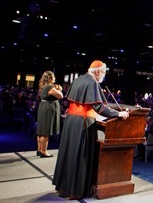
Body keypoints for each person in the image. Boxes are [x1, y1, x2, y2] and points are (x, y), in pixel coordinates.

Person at [52, 60, 130, 200]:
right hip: (82, 122)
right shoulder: (92, 83)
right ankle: (74, 190)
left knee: (69, 153)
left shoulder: (78, 80)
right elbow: (99, 107)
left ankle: (64, 187)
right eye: (104, 72)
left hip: (71, 121)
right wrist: (118, 114)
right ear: (98, 71)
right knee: (79, 155)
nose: (104, 76)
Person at [36, 71, 63, 158]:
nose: (55, 78)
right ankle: (44, 151)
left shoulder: (44, 86)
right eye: (53, 77)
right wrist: (59, 90)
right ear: (50, 78)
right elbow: (60, 96)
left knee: (41, 130)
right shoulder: (49, 87)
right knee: (45, 131)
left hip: (44, 107)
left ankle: (40, 149)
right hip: (48, 109)